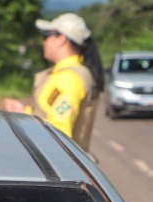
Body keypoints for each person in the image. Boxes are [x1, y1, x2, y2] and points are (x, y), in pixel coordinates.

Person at [24, 13, 105, 150]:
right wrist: (23, 112)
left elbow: (58, 133)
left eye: (46, 36)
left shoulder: (69, 79)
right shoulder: (65, 74)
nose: (44, 42)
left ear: (62, 39)